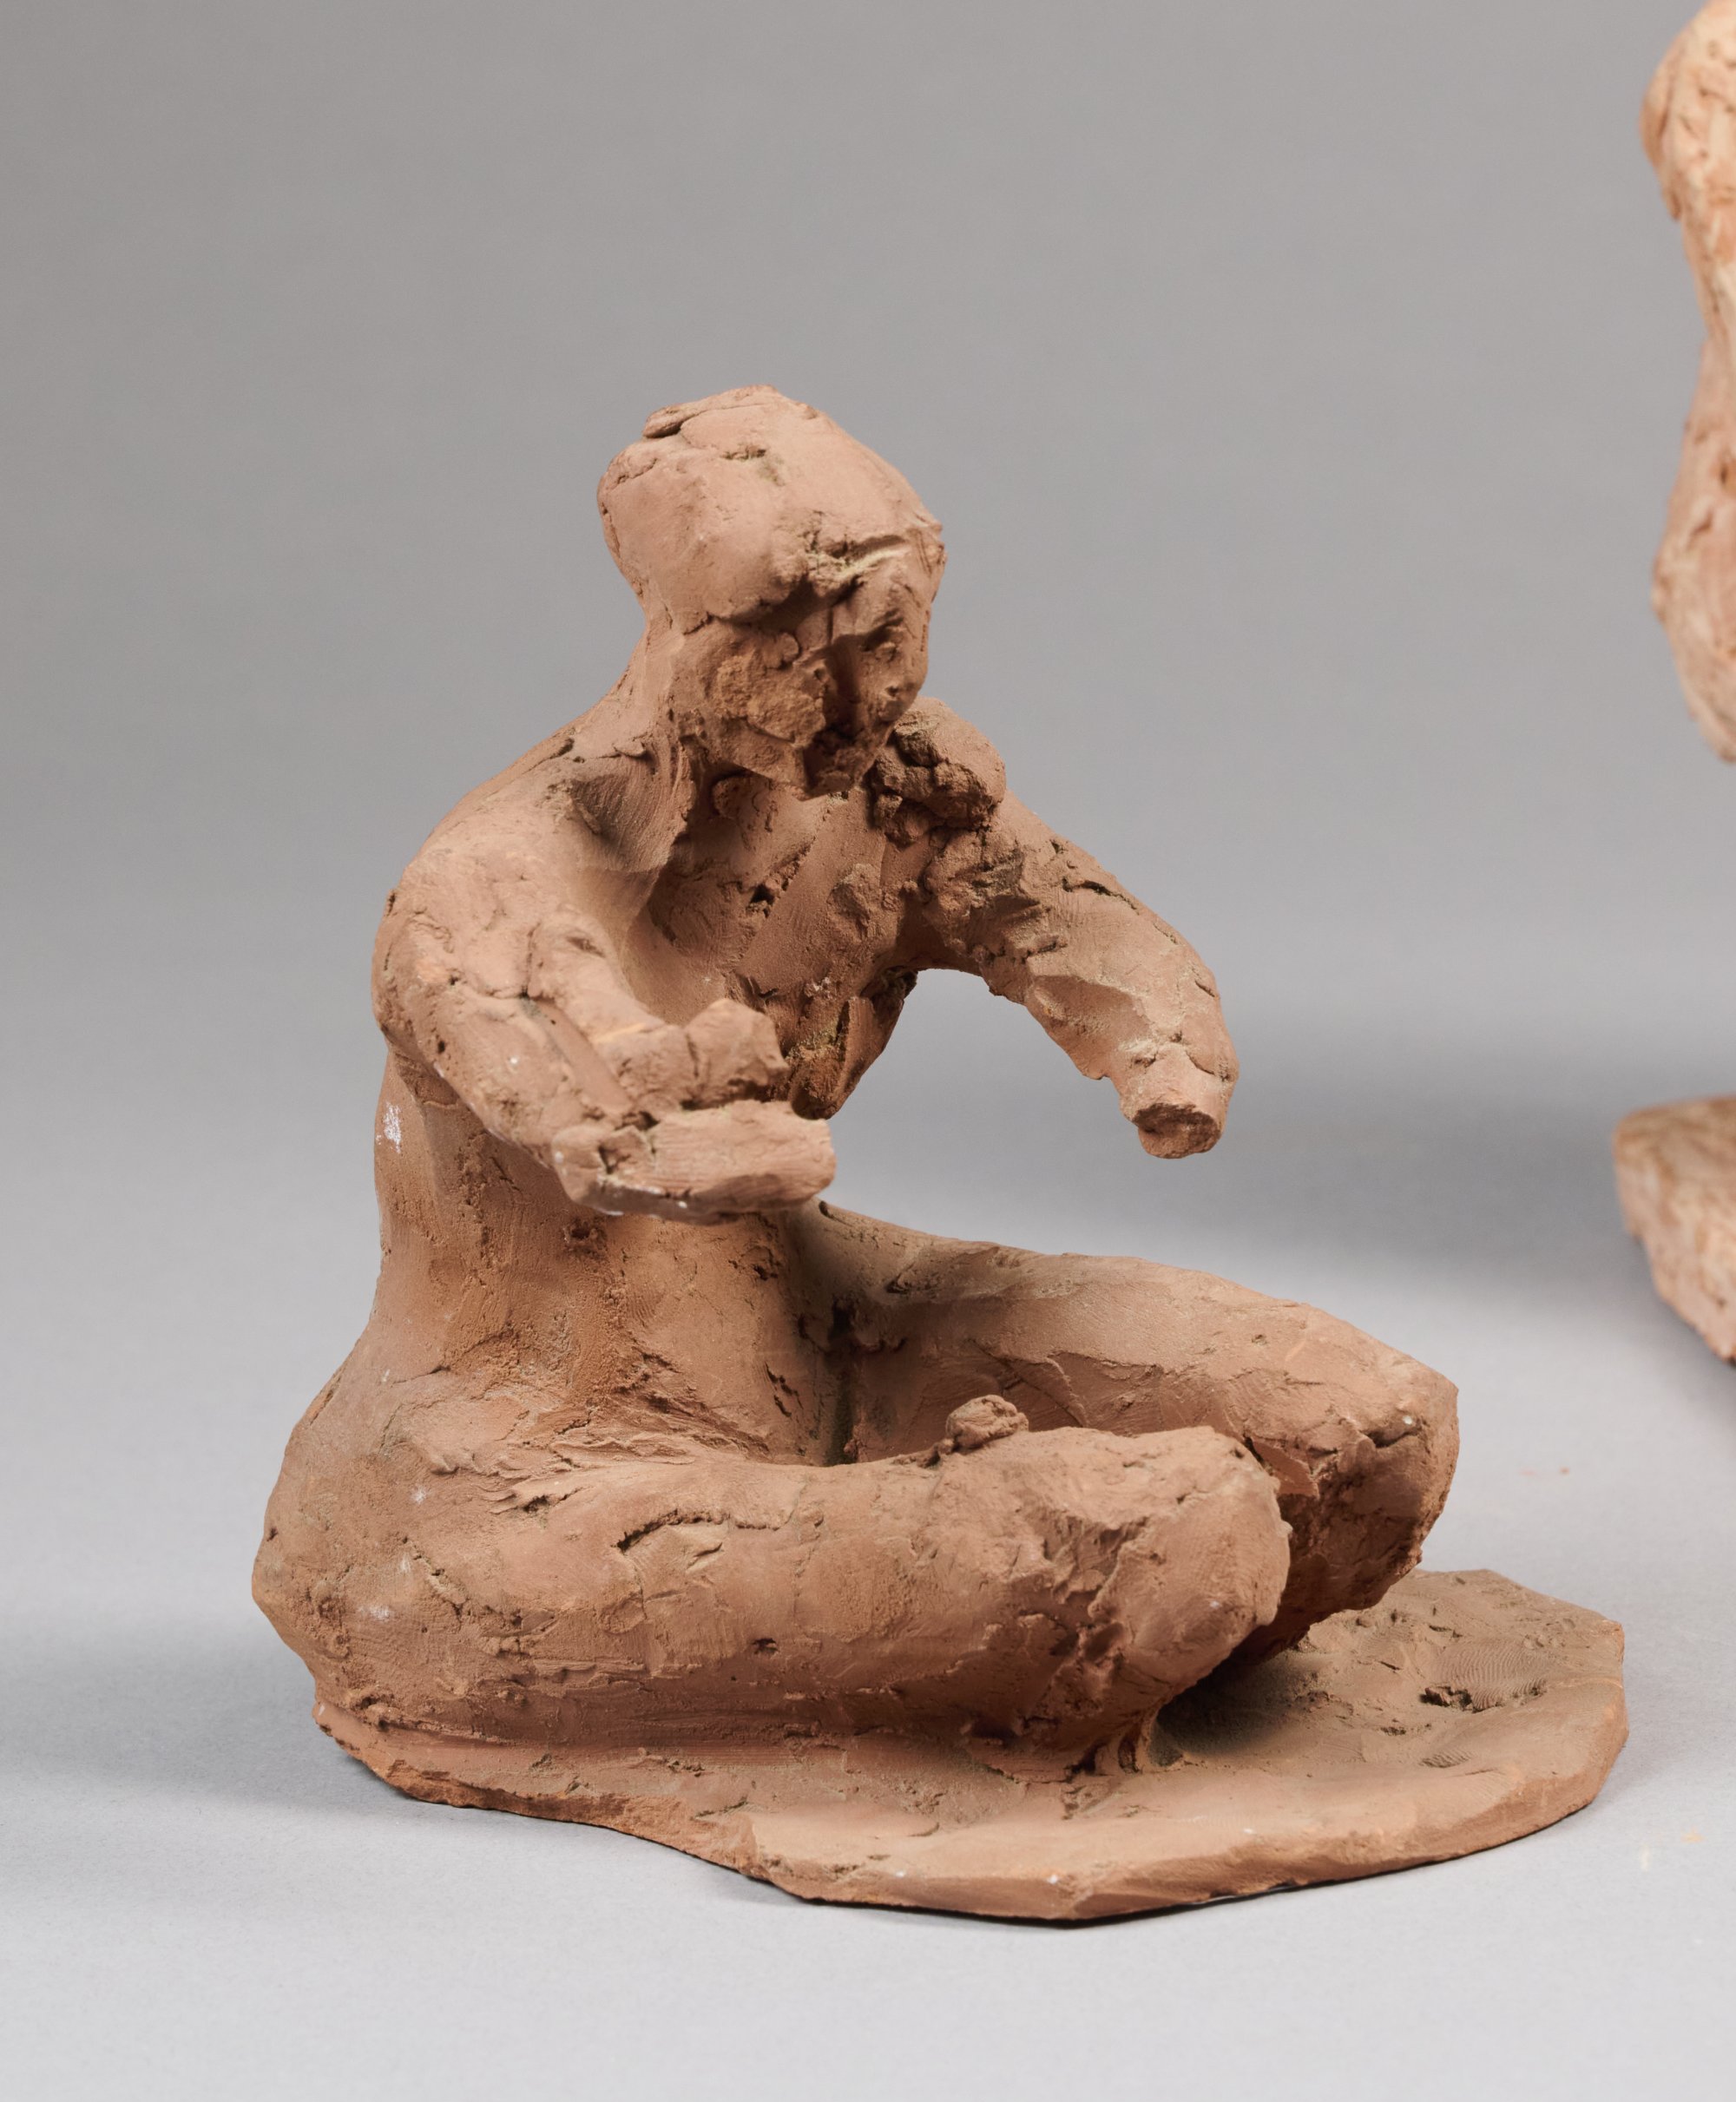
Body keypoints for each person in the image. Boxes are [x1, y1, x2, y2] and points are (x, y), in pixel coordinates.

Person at [257, 387, 1455, 1770]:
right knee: (1161, 1537)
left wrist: (1156, 1040)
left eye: (889, 643)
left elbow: (1067, 920)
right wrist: (672, 1120)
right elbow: (574, 1098)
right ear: (690, 638)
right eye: (800, 656)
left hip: (825, 1328)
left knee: (1369, 1436)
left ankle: (1058, 1626)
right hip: (525, 1467)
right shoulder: (498, 884)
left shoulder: (887, 790)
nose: (858, 698)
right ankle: (1004, 1651)